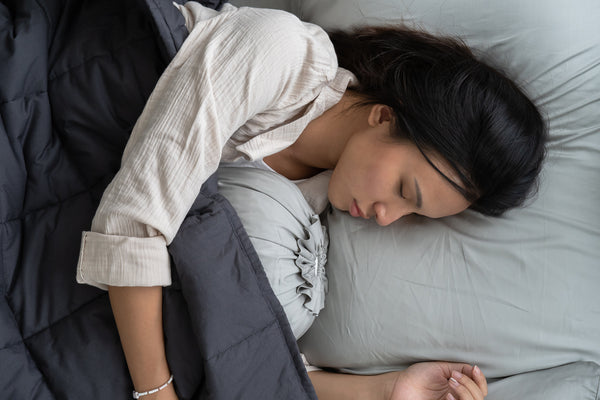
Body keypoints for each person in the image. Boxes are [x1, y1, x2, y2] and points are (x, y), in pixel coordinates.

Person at [76, 2, 546, 400]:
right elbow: (133, 219)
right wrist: (156, 392)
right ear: (384, 116)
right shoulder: (279, 51)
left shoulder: (307, 205)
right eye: (405, 191)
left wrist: (386, 389)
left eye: (412, 215)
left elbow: (247, 347)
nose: (387, 218)